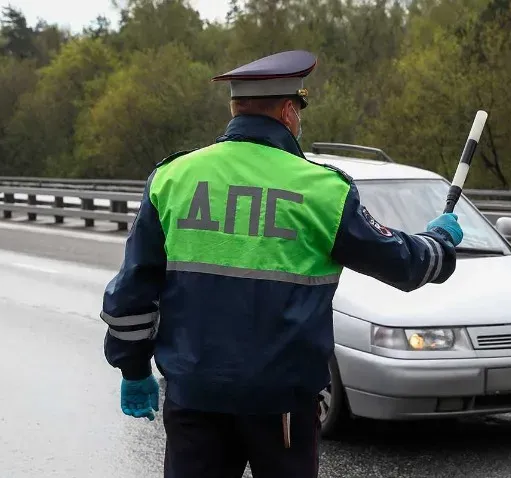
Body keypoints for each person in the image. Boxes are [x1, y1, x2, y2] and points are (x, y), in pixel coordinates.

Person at [99, 50, 463, 478]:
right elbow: (401, 264)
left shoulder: (173, 178)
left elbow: (132, 293)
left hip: (195, 396)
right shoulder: (321, 189)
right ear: (289, 111)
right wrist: (440, 242)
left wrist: (133, 366)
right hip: (282, 405)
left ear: (235, 108)